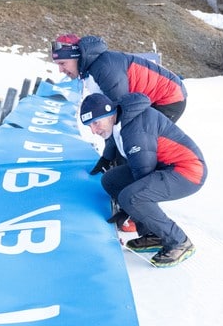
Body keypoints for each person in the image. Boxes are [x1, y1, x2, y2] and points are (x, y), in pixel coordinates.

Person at [79, 91, 206, 268]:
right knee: (111, 180)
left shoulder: (135, 128)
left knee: (132, 197)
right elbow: (117, 147)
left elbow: (143, 175)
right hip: (163, 165)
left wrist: (129, 206)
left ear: (109, 114)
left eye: (95, 123)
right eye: (88, 126)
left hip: (188, 171)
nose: (93, 130)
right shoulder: (119, 120)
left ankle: (179, 242)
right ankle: (153, 235)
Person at [52, 34, 188, 122]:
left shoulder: (103, 68)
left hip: (169, 97)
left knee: (145, 138)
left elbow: (121, 115)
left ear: (76, 58)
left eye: (63, 64)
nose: (60, 70)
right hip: (156, 96)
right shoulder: (94, 66)